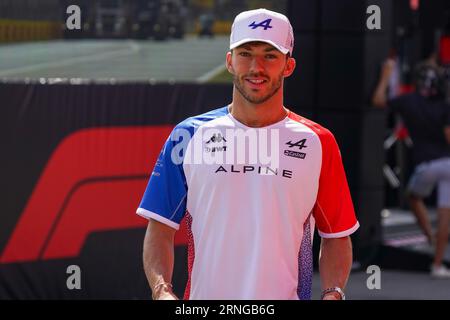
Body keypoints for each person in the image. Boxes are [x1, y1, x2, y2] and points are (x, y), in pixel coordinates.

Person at [137, 8, 359, 300]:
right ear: (230, 61)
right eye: (245, 54)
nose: (256, 67)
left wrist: (334, 292)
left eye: (270, 55)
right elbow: (160, 228)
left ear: (288, 66)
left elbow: (336, 236)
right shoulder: (188, 135)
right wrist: (161, 291)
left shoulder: (319, 141)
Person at [372, 57, 450, 278]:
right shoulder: (444, 105)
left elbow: (378, 101)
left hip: (426, 164)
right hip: (446, 162)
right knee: (445, 214)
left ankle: (429, 237)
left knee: (413, 197)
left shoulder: (408, 101)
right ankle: (437, 263)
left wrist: (386, 76)